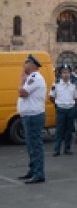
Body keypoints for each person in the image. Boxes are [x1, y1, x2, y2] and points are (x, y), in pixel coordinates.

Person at [17, 54, 47, 184]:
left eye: (26, 63)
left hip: (34, 116)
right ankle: (33, 170)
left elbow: (22, 93)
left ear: (33, 65)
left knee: (35, 145)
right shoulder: (31, 77)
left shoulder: (35, 78)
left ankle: (39, 173)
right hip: (28, 115)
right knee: (31, 146)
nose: (24, 65)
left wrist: (22, 82)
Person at [50, 65, 77, 157]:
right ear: (60, 74)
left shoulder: (73, 85)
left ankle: (67, 149)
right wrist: (58, 103)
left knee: (69, 130)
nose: (66, 75)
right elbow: (51, 97)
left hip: (70, 109)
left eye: (67, 72)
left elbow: (76, 97)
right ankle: (57, 150)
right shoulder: (55, 85)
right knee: (59, 131)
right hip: (61, 109)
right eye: (64, 73)